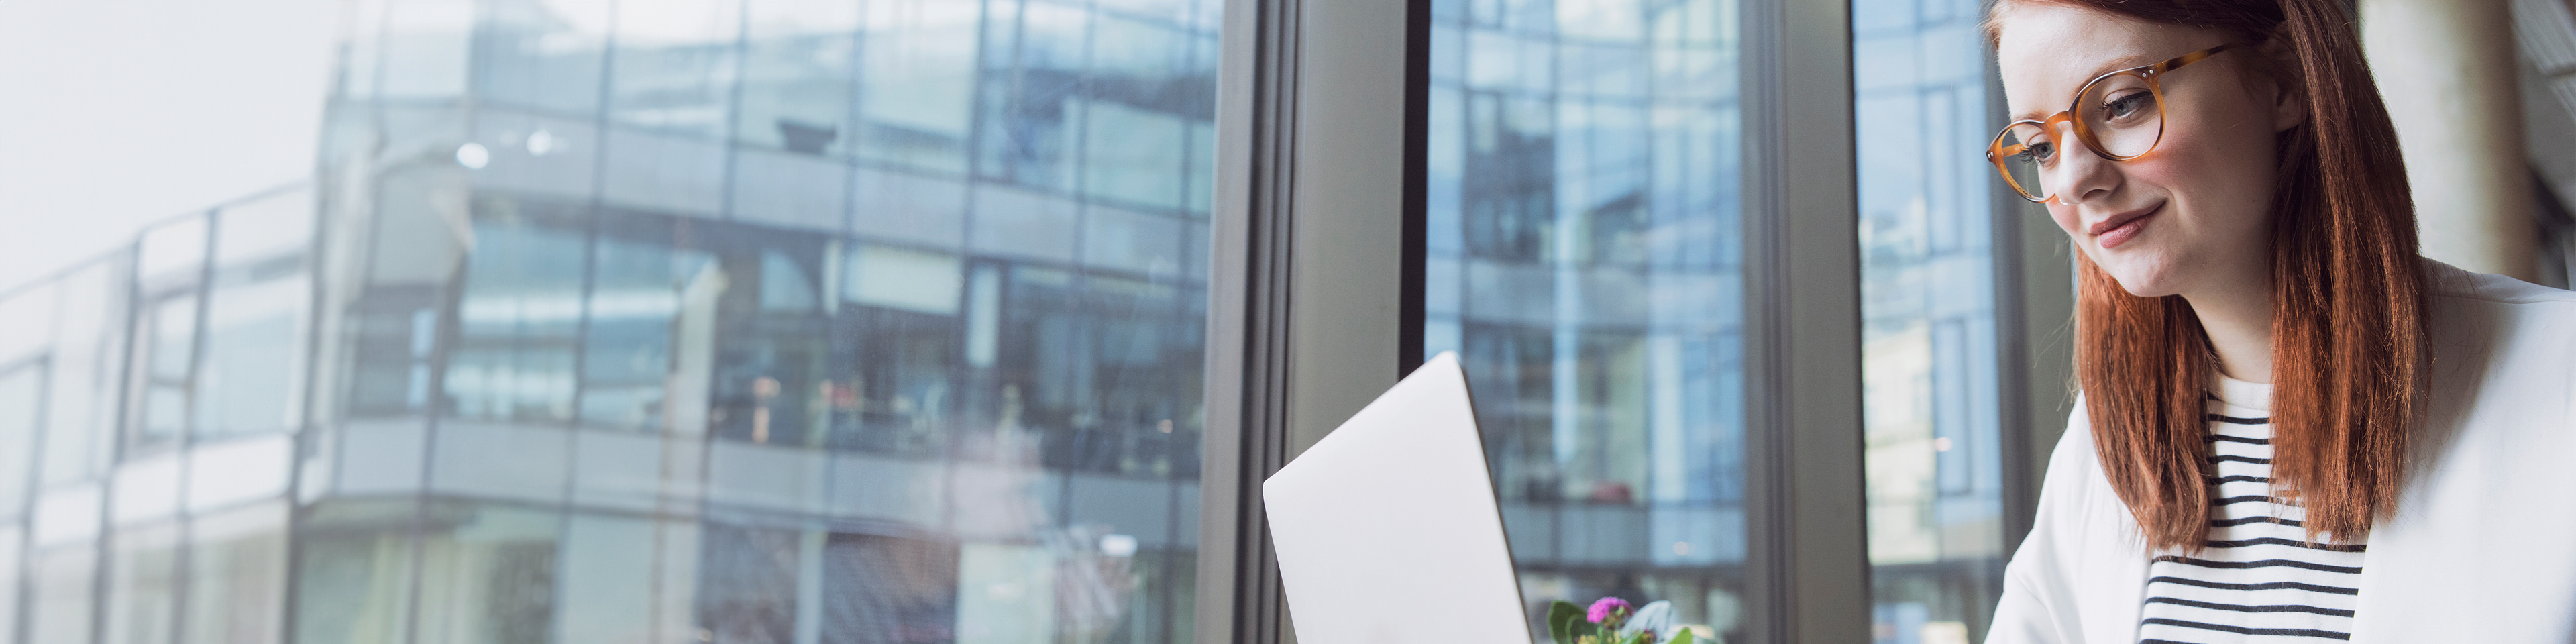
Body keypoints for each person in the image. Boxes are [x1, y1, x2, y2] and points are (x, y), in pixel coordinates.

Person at [1979, 0, 2576, 642]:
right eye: (2040, 147)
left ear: (2284, 78)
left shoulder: (2557, 377)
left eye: (2123, 104)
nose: (2074, 179)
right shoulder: (2104, 446)